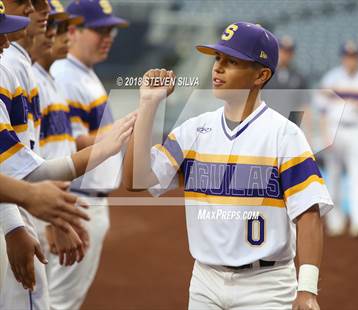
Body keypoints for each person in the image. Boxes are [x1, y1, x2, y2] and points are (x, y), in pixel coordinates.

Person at [124, 22, 333, 310]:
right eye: (217, 59)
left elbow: (309, 214)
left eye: (231, 61)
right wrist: (148, 104)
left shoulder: (284, 135)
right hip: (204, 281)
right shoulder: (193, 130)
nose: (218, 68)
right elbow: (137, 180)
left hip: (267, 285)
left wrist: (307, 289)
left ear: (261, 75)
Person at [0, 1, 134, 307]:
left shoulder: (31, 71)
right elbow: (16, 168)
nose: (51, 27)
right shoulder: (13, 66)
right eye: (28, 4)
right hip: (26, 209)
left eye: (61, 25)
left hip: (31, 205)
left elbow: (25, 164)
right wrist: (18, 224)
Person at [49, 0, 128, 308]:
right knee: (58, 300)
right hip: (77, 200)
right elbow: (68, 143)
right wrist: (127, 125)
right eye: (99, 30)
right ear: (73, 31)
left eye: (111, 31)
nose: (107, 37)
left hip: (84, 199)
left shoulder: (81, 73)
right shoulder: (66, 75)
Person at [315, 40, 358, 237]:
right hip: (334, 130)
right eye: (347, 56)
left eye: (353, 57)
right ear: (342, 58)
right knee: (334, 176)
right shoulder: (331, 78)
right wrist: (324, 135)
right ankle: (335, 221)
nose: (350, 60)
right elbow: (321, 111)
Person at [264, 35, 308, 126]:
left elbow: (304, 105)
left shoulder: (299, 76)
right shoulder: (266, 73)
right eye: (283, 50)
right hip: (268, 122)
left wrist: (307, 132)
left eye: (289, 51)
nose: (286, 54)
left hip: (290, 124)